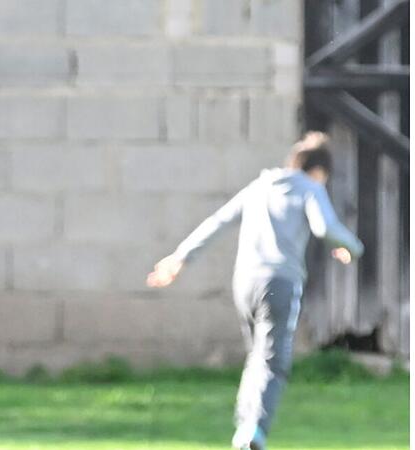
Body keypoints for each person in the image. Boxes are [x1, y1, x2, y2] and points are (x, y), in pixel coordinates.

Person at [146, 131, 364, 450]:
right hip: (280, 282)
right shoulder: (310, 187)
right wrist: (353, 247)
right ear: (319, 171)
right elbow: (324, 228)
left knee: (256, 358)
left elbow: (218, 221)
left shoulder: (259, 187)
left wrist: (180, 257)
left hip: (244, 283)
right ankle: (253, 432)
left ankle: (243, 429)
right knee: (273, 362)